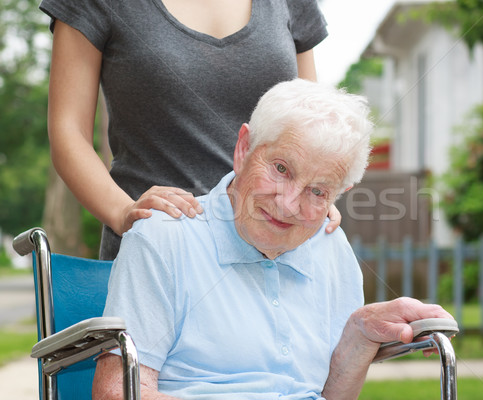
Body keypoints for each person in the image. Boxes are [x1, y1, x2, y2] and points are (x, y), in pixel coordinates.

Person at [92, 79, 454, 400]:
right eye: (281, 169)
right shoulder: (164, 236)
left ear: (340, 194)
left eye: (317, 191)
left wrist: (361, 332)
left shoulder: (331, 248)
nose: (289, 205)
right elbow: (118, 392)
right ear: (244, 148)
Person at [39, 0, 341, 260]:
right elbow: (69, 131)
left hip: (273, 252)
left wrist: (315, 198)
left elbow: (308, 128)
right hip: (158, 248)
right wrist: (123, 212)